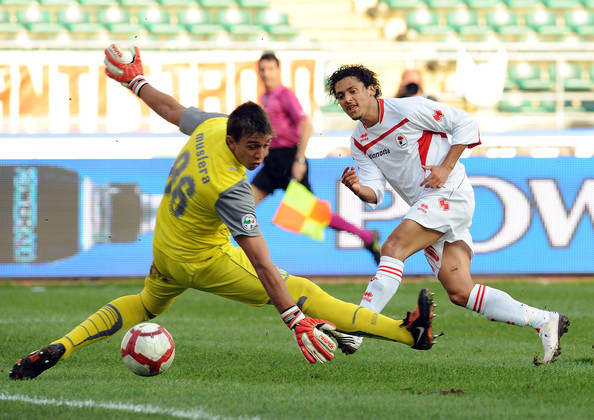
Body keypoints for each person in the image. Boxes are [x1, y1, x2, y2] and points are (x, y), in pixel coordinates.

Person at [8, 47, 437, 380]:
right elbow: (262, 264)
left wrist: (135, 81)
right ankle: (408, 334)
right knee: (304, 290)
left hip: (167, 249)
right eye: (254, 148)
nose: (261, 156)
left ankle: (62, 346)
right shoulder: (231, 189)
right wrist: (296, 320)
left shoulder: (213, 125)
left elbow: (173, 109)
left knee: (144, 305)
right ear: (234, 141)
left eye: (266, 147)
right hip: (203, 262)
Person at [325, 64, 569, 364]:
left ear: (371, 89)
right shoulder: (359, 140)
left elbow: (465, 122)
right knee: (460, 292)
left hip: (449, 193)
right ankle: (544, 320)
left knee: (392, 248)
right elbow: (375, 192)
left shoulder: (407, 109)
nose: (347, 99)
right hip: (428, 205)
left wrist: (445, 167)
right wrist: (357, 188)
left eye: (353, 91)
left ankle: (356, 329)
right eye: (340, 96)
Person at [254, 52, 381, 264]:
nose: (266, 74)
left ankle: (367, 237)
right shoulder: (264, 98)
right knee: (244, 206)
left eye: (270, 69)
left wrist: (299, 159)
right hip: (271, 162)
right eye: (263, 70)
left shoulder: (285, 95)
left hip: (289, 159)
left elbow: (305, 125)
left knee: (314, 214)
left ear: (278, 70)